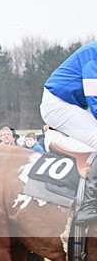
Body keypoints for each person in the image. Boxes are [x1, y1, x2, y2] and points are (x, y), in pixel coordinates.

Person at [40, 41, 97, 224]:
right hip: (59, 104)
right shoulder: (93, 54)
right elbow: (94, 98)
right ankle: (90, 206)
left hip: (76, 105)